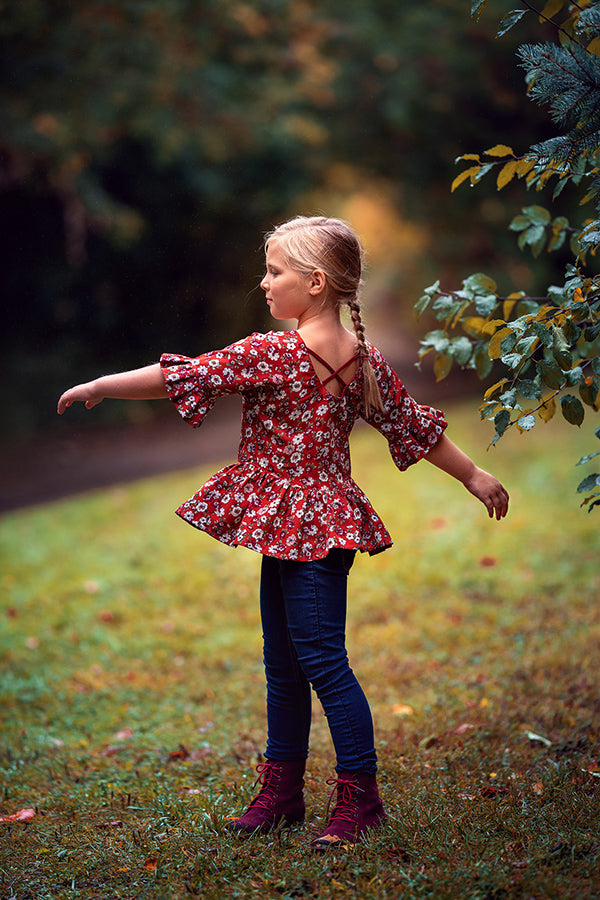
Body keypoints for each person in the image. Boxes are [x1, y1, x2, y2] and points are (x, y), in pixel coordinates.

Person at [58, 215, 509, 850]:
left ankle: (361, 799)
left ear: (316, 283)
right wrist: (472, 474)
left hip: (314, 531)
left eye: (275, 272)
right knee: (284, 664)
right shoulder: (359, 357)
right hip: (292, 527)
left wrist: (103, 385)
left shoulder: (278, 353)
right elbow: (416, 429)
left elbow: (183, 377)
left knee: (322, 661)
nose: (264, 283)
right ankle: (283, 793)